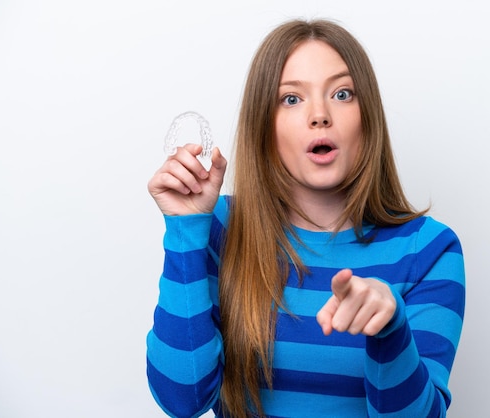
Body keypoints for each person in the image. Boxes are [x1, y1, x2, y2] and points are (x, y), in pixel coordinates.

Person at [146, 18, 465, 418]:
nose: (320, 115)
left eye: (343, 94)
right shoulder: (219, 228)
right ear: (265, 125)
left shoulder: (431, 250)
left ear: (368, 118)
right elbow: (182, 401)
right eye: (292, 99)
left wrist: (391, 327)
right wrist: (186, 229)